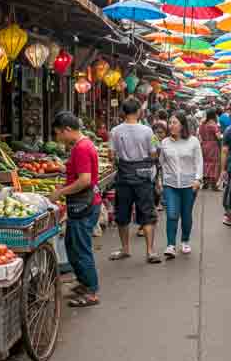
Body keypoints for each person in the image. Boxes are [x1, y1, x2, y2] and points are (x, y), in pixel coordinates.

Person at [48, 111, 101, 307]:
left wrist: (60, 192)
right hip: (83, 203)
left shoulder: (81, 147)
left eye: (58, 133)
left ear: (67, 130)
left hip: (84, 204)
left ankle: (91, 291)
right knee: (73, 245)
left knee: (81, 249)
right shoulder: (82, 145)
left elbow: (85, 180)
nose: (58, 138)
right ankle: (84, 283)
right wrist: (65, 169)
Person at [108, 98, 160, 264]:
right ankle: (150, 251)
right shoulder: (148, 131)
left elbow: (111, 155)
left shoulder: (115, 131)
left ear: (123, 111)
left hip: (123, 174)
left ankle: (125, 249)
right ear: (138, 111)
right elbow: (154, 153)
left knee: (122, 213)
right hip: (143, 176)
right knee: (147, 212)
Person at [159, 111, 203, 259]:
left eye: (174, 122)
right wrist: (162, 180)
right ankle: (170, 245)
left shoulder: (193, 141)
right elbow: (162, 162)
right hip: (170, 184)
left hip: (189, 184)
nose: (171, 125)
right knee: (172, 214)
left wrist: (198, 179)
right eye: (170, 122)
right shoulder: (165, 142)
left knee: (186, 215)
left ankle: (185, 240)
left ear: (182, 125)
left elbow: (198, 161)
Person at [199, 109, 222, 190]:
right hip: (212, 145)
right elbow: (219, 137)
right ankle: (213, 184)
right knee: (214, 163)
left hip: (204, 145)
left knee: (205, 163)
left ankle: (205, 183)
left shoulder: (202, 124)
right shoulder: (213, 125)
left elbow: (200, 135)